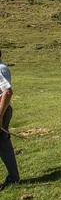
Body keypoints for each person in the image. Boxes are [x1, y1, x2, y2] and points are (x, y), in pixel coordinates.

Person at [0, 49, 20, 190]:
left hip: (1, 110)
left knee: (4, 144)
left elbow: (7, 91)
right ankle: (13, 177)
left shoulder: (1, 69)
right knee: (3, 144)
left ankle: (13, 178)